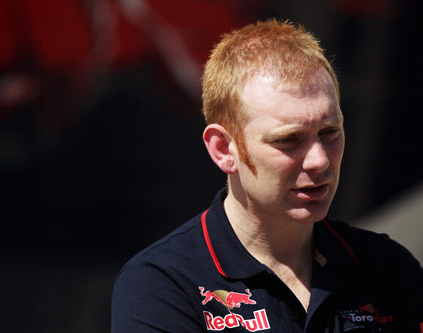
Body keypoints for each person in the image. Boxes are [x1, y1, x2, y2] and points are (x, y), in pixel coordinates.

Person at [111, 19, 423, 332]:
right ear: (223, 149)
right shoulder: (163, 283)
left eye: (330, 132)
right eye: (289, 140)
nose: (319, 160)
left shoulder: (386, 268)